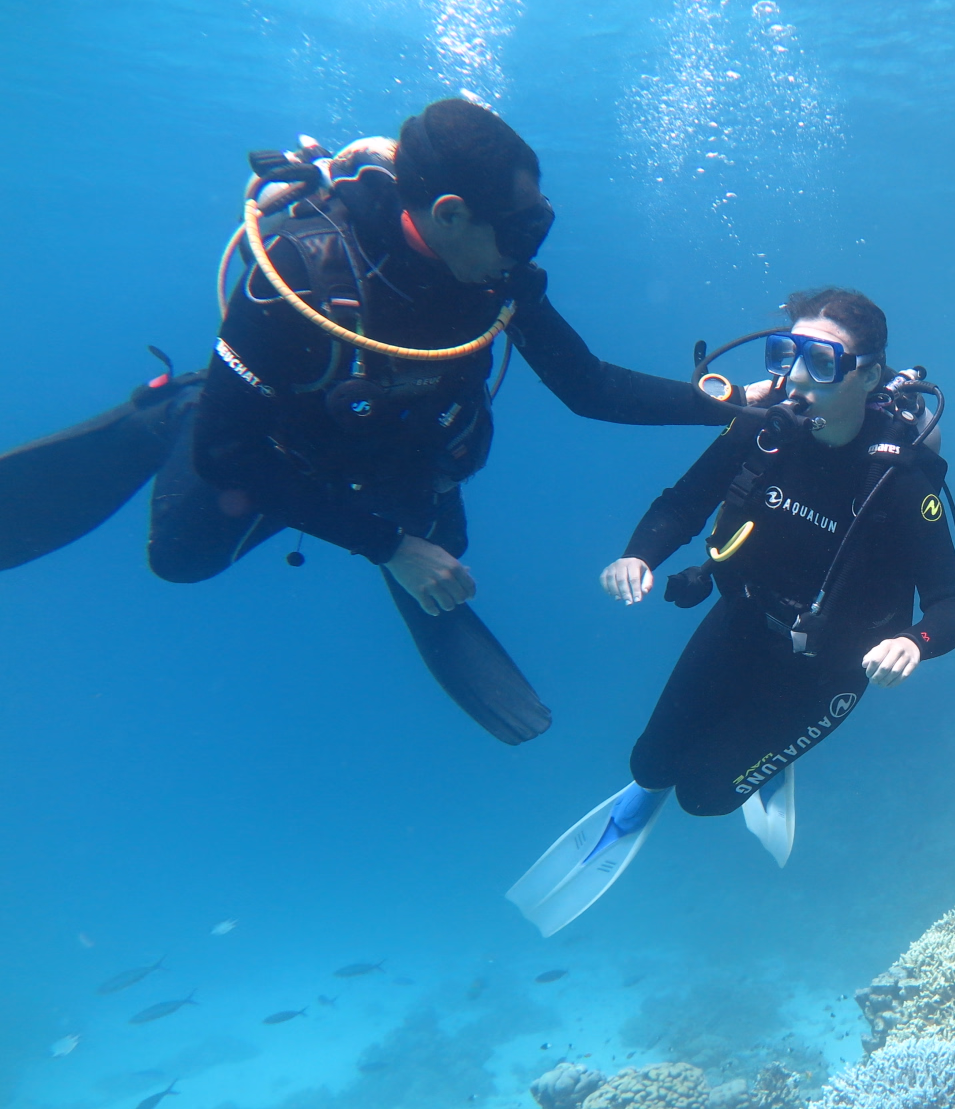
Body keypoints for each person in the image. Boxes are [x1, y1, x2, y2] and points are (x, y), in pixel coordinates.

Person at [0, 99, 732, 743]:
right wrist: (388, 546)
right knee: (181, 558)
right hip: (279, 449)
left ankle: (398, 534)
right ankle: (180, 405)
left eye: (536, 228)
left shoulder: (495, 275)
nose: (528, 253)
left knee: (453, 557)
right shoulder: (299, 272)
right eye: (518, 231)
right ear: (448, 213)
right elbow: (227, 452)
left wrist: (726, 404)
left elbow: (589, 386)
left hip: (404, 454)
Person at [507, 288, 955, 935]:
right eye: (788, 353)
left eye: (823, 361)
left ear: (867, 375)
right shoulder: (765, 432)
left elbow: (953, 603)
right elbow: (683, 501)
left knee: (702, 796)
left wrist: (916, 642)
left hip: (829, 668)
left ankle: (772, 763)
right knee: (648, 765)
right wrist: (638, 555)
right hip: (743, 619)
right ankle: (658, 787)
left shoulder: (900, 479)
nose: (796, 374)